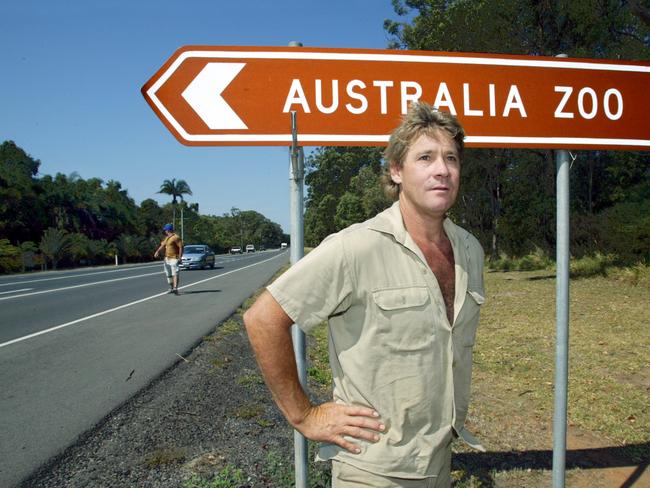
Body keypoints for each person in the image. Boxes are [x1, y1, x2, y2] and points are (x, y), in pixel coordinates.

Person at [243, 102, 485, 487]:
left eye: (451, 158)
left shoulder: (470, 250)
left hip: (440, 461)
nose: (442, 169)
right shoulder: (355, 248)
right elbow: (263, 318)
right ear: (396, 170)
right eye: (425, 157)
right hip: (372, 469)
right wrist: (304, 415)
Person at [154, 223, 183, 295]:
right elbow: (162, 245)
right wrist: (157, 251)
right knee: (168, 274)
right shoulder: (167, 238)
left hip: (174, 258)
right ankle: (172, 288)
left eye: (165, 230)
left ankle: (175, 288)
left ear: (168, 230)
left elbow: (181, 247)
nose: (165, 231)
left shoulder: (176, 237)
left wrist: (180, 257)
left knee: (175, 273)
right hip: (167, 259)